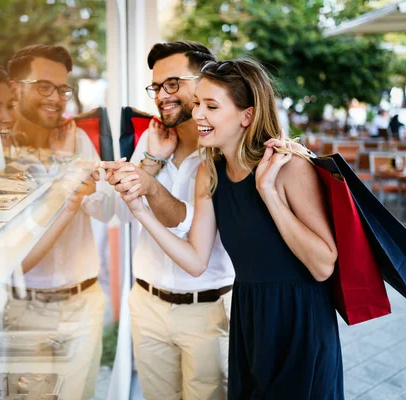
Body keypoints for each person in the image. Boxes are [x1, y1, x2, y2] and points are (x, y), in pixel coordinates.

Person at [116, 58, 344, 399]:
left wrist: (268, 192)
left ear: (246, 115)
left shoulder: (289, 166)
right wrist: (139, 209)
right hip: (248, 318)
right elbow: (195, 261)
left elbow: (324, 265)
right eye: (197, 105)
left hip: (299, 321)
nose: (197, 116)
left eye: (211, 106)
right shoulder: (211, 172)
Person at [102, 41, 235, 400]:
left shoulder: (225, 148)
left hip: (207, 312)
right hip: (147, 305)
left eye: (173, 83)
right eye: (157, 87)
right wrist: (150, 161)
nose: (162, 95)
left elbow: (191, 229)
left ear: (205, 81)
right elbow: (117, 212)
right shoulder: (154, 137)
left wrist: (147, 184)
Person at [6, 44, 114, 400]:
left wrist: (86, 187)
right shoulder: (2, 150)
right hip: (23, 308)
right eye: (44, 86)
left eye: (63, 89)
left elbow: (105, 210)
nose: (56, 98)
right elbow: (16, 241)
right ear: (16, 87)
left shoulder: (79, 138)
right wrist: (60, 170)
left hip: (82, 304)